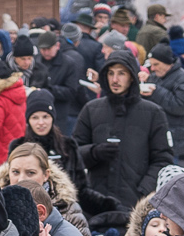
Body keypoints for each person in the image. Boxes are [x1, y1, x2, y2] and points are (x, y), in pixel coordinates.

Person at [72, 52, 172, 212]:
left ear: (132, 76)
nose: (115, 80)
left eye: (121, 73)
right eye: (110, 73)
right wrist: (94, 152)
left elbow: (162, 159)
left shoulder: (153, 113)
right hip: (96, 202)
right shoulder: (91, 109)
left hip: (135, 204)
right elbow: (73, 154)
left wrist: (143, 192)